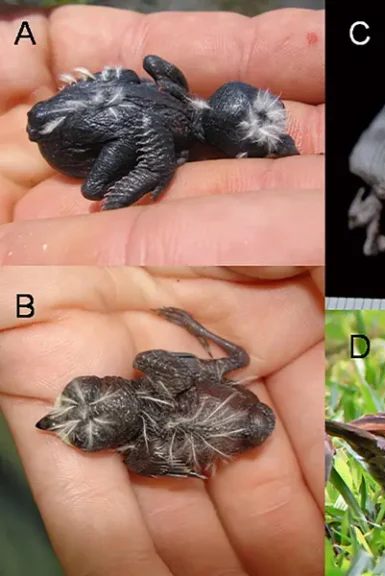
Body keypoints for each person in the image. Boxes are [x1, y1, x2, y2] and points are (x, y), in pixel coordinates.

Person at [0, 265, 325, 576]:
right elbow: (187, 468)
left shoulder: (141, 456)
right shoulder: (151, 385)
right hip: (220, 416)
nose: (55, 419)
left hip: (222, 421)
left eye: (86, 391)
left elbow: (188, 471)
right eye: (85, 435)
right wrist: (193, 329)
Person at [0, 5, 324, 265]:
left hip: (69, 121)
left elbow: (153, 63)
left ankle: (136, 162)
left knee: (139, 106)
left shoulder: (178, 96)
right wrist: (158, 163)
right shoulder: (178, 112)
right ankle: (129, 172)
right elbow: (151, 69)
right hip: (67, 145)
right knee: (142, 118)